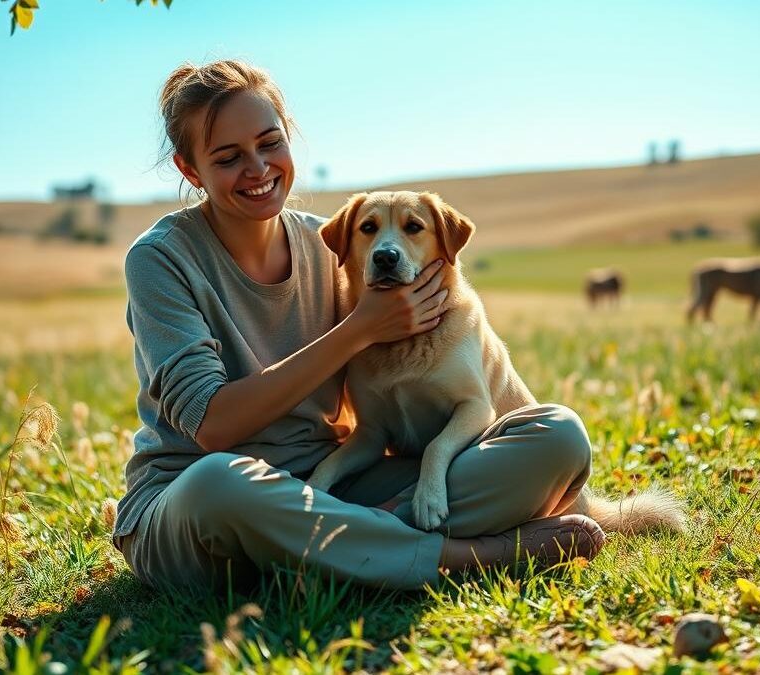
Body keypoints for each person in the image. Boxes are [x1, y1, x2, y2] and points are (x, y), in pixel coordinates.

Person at [112, 59, 605, 592]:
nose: (257, 168)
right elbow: (212, 427)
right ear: (191, 171)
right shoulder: (161, 259)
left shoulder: (338, 243)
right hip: (201, 508)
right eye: (229, 157)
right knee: (219, 481)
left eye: (270, 143)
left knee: (557, 435)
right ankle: (473, 555)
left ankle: (344, 550)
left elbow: (433, 300)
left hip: (330, 488)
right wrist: (359, 329)